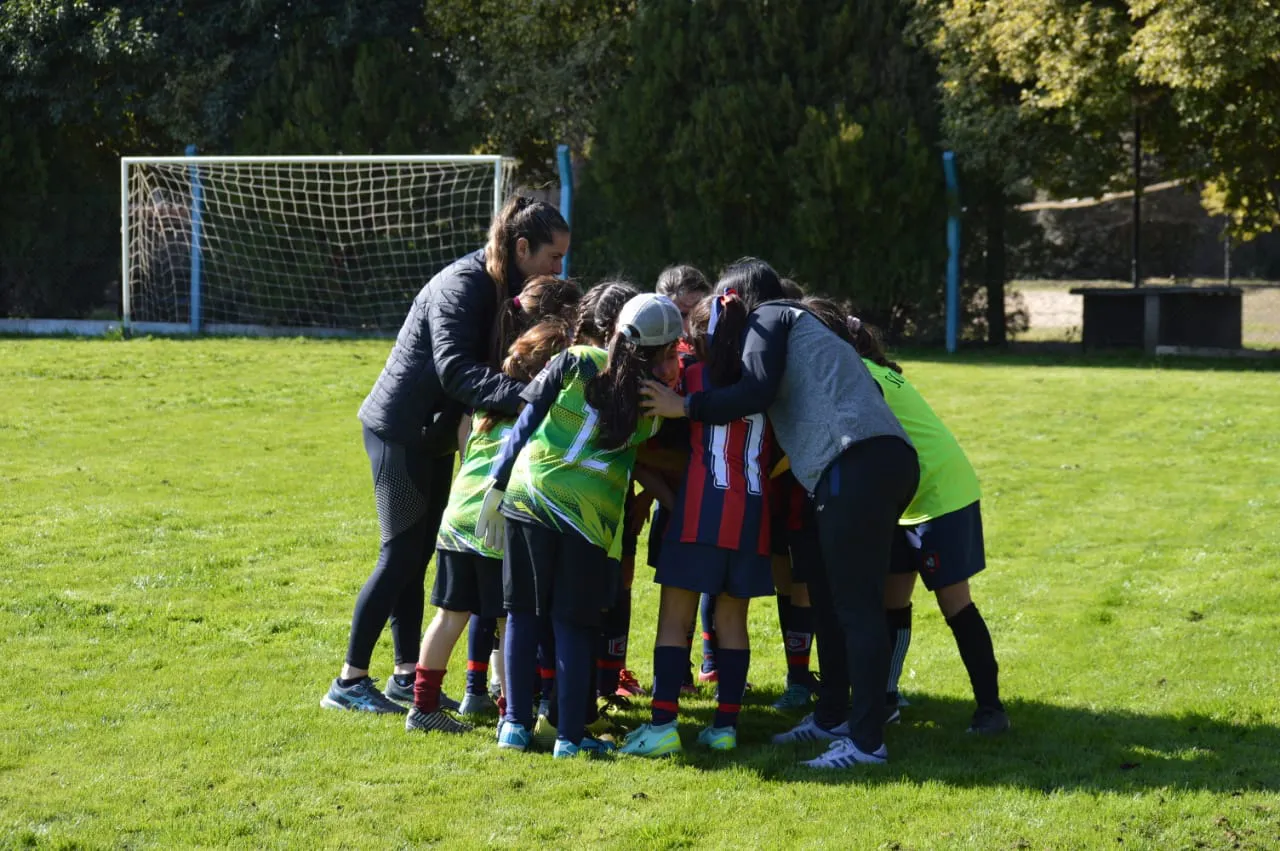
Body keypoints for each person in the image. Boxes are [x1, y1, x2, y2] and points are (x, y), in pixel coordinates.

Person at [641, 259, 919, 769]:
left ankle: (866, 742)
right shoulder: (805, 329)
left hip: (855, 464)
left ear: (743, 296)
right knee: (832, 602)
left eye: (725, 301)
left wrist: (686, 408)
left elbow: (758, 390)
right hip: (859, 465)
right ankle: (834, 715)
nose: (720, 315)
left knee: (855, 607)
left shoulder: (771, 315)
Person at [321, 196, 569, 714]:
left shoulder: (502, 284)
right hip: (399, 432)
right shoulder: (464, 285)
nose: (558, 269)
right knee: (401, 554)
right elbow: (456, 370)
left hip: (430, 434)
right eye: (553, 258)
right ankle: (349, 681)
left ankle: (405, 676)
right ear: (522, 248)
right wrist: (529, 399)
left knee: (418, 553)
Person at [479, 292, 684, 758]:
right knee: (573, 627)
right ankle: (569, 738)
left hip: (530, 498)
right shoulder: (654, 406)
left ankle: (514, 726)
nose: (676, 363)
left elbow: (527, 420)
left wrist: (497, 481)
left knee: (523, 617)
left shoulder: (574, 361)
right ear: (660, 353)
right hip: (589, 521)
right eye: (673, 353)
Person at [803, 298, 1008, 735]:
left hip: (939, 497)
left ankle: (991, 709)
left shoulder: (858, 377)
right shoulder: (866, 371)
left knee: (956, 605)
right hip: (901, 499)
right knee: (891, 603)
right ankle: (887, 699)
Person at [620, 293, 776, 757]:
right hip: (751, 518)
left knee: (674, 620)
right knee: (732, 621)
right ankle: (725, 727)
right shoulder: (763, 386)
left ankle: (664, 724)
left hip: (698, 517)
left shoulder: (688, 378)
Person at [407, 318, 575, 734]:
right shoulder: (540, 413)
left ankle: (422, 708)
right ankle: (510, 714)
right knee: (509, 622)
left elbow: (466, 450)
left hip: (458, 517)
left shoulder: (482, 404)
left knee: (449, 617)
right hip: (497, 524)